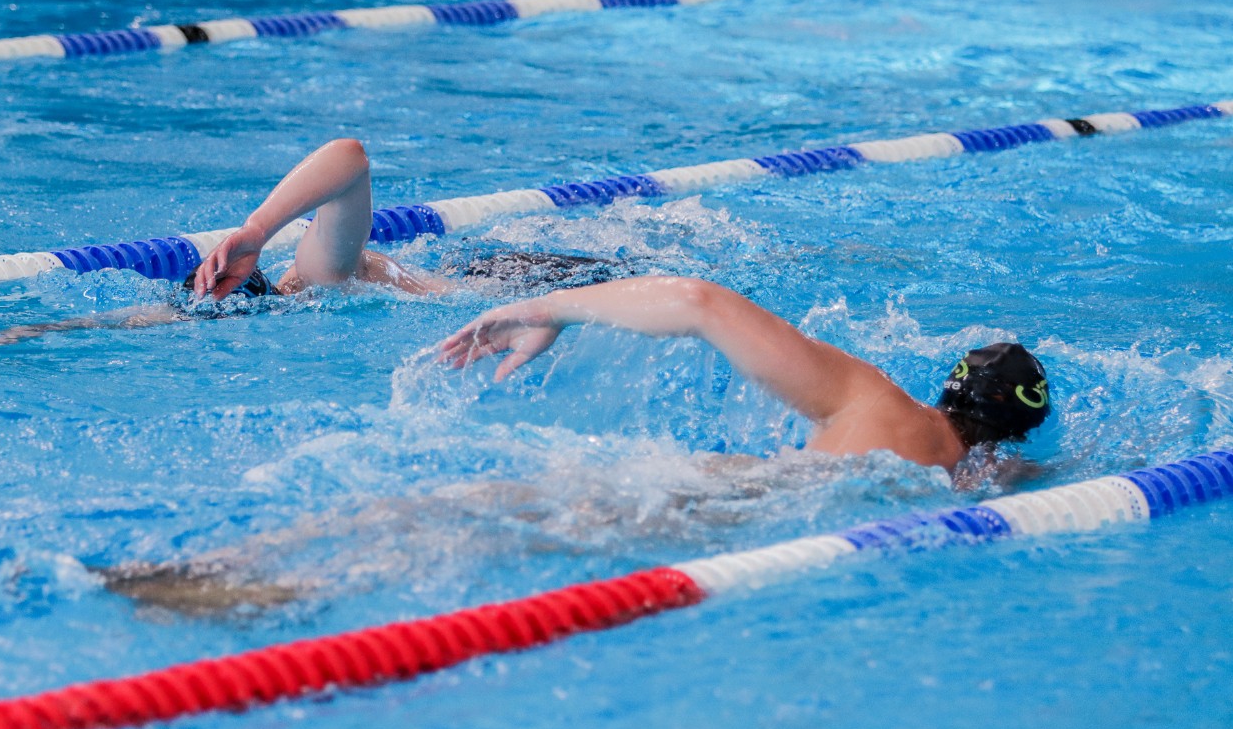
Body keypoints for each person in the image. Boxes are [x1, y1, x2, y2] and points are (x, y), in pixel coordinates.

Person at [0, 139, 626, 351]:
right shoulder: (272, 302)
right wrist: (28, 331)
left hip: (521, 280)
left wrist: (256, 229)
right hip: (483, 277)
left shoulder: (314, 274)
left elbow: (351, 157)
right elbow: (142, 319)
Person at [438, 276, 1051, 477]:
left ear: (948, 384)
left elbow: (701, 302)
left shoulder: (874, 399)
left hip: (709, 497)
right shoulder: (983, 481)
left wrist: (552, 308)